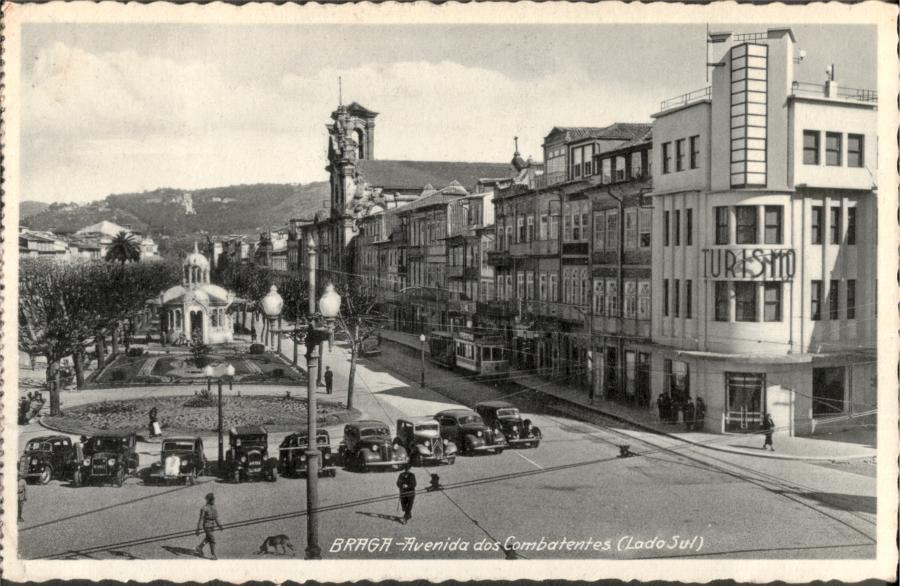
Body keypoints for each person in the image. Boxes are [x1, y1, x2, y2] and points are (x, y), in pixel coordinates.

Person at [196, 493, 223, 559]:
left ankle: (199, 547)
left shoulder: (214, 508)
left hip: (212, 526)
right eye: (212, 500)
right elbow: (201, 519)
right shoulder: (204, 508)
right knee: (212, 540)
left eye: (214, 499)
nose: (214, 501)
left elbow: (216, 518)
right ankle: (213, 555)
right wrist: (198, 528)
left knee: (208, 538)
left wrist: (219, 525)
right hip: (207, 525)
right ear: (209, 500)